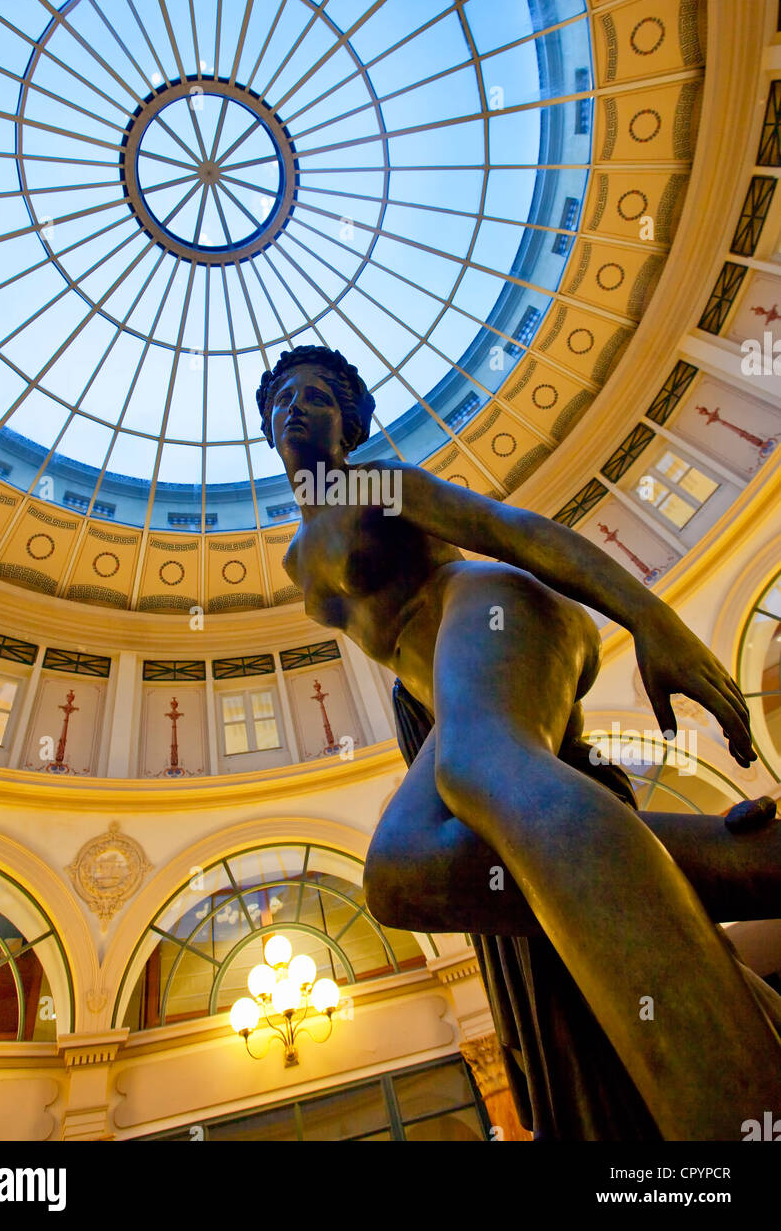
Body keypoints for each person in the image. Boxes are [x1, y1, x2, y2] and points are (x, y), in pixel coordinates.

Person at [256, 344, 781, 1140]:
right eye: (281, 399)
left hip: (497, 617)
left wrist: (649, 617)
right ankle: (746, 857)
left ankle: (733, 1117)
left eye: (317, 396)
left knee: (478, 770)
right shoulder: (296, 559)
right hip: (454, 698)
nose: (295, 407)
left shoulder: (378, 485)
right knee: (402, 874)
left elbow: (510, 530)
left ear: (350, 422)